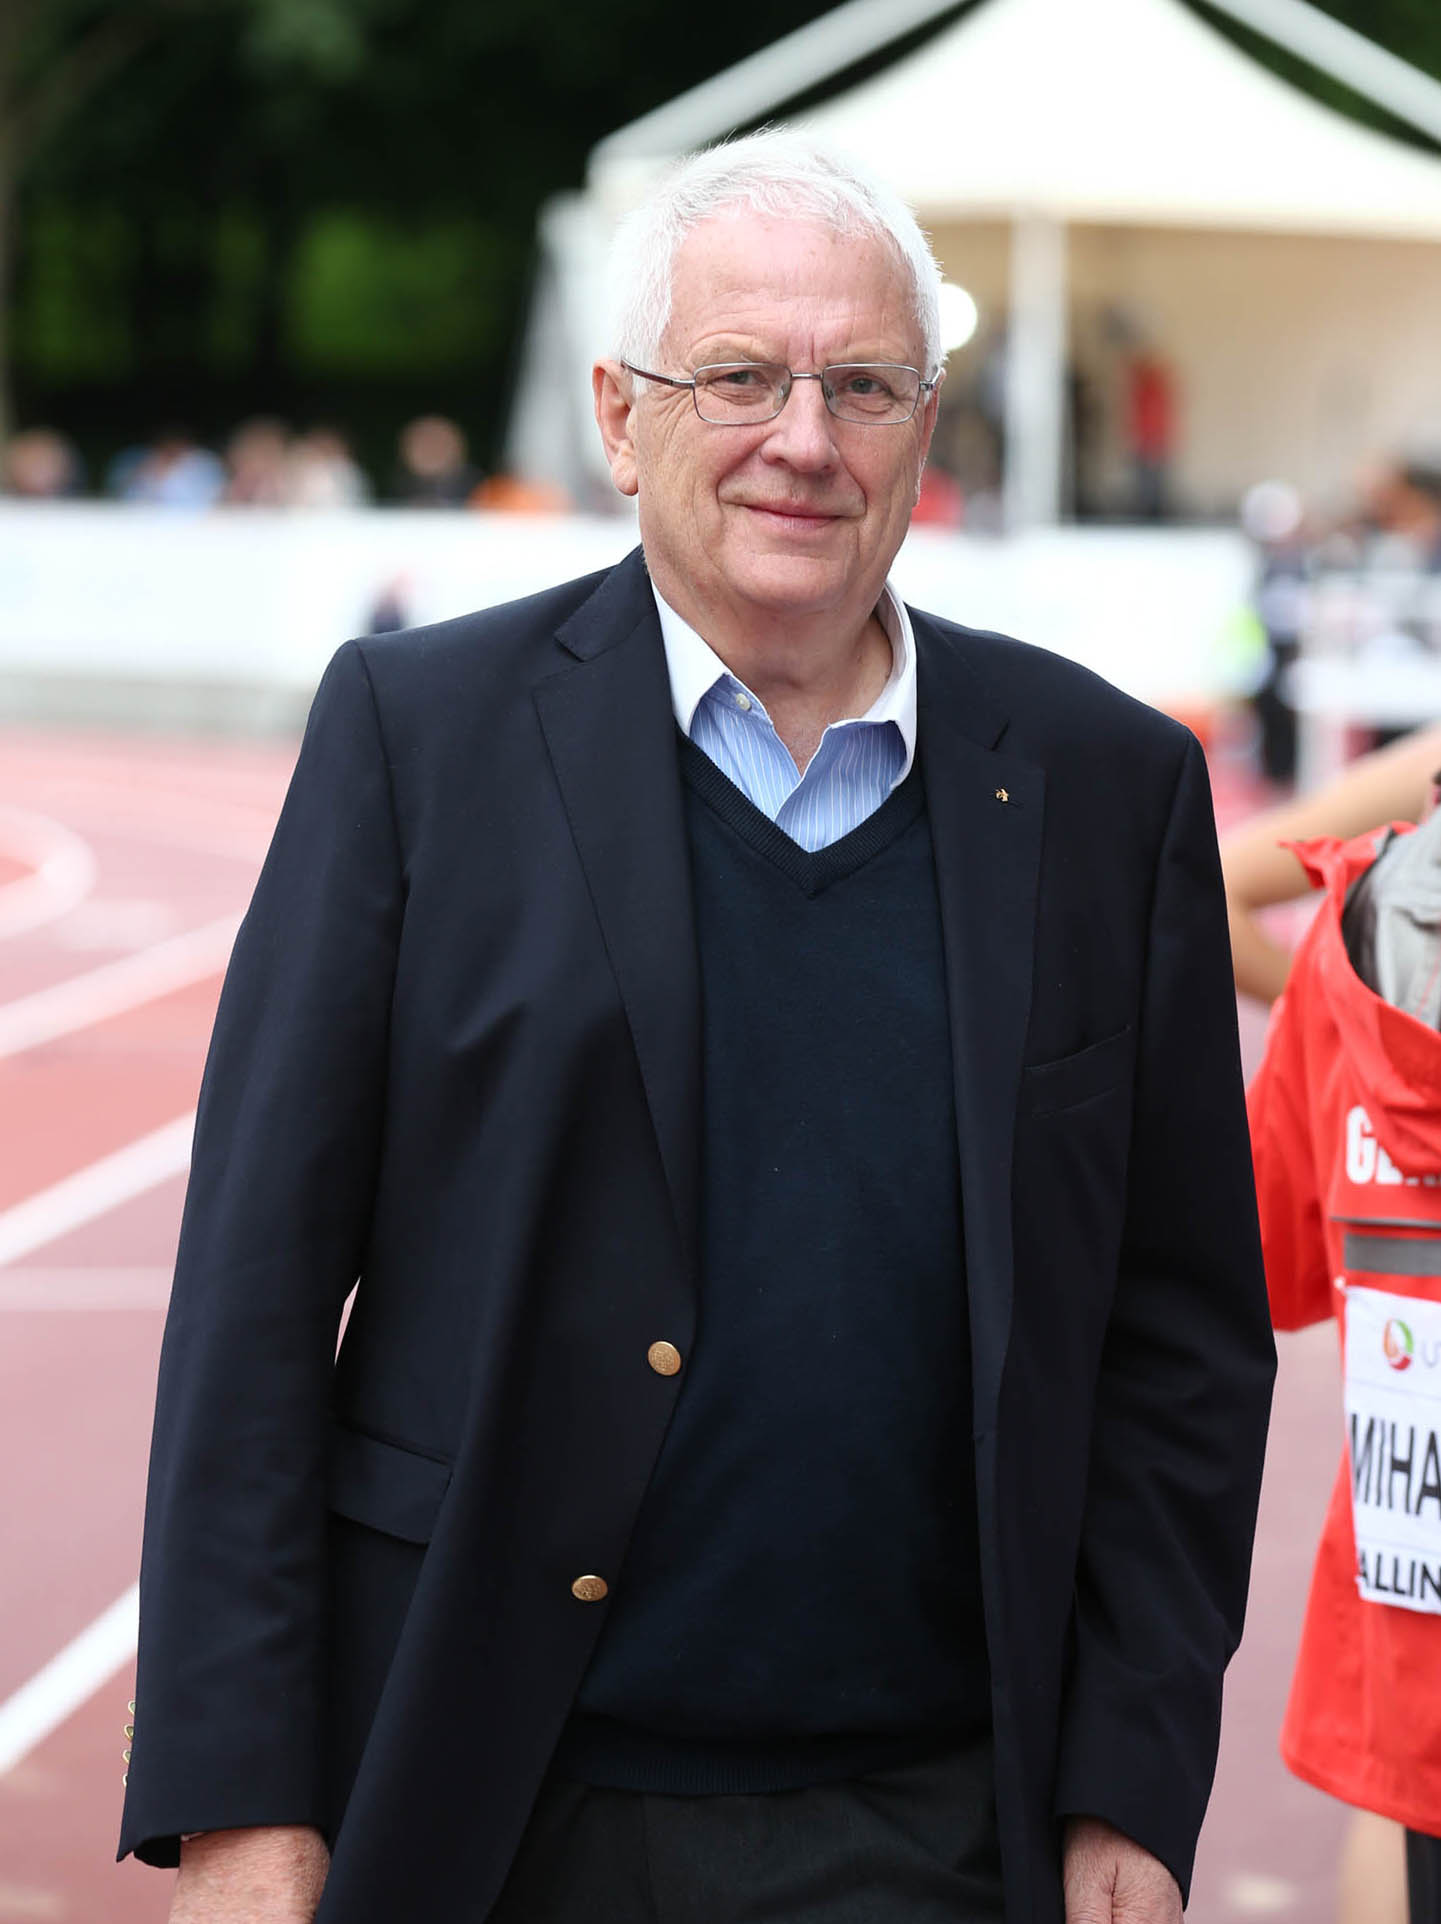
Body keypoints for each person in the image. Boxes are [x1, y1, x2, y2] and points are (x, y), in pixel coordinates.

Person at [118, 131, 1275, 1924]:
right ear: (618, 413)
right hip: (488, 1804)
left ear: (925, 427)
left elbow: (1177, 1339)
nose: (802, 438)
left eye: (862, 385)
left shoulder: (1106, 786)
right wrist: (238, 1808)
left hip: (942, 1826)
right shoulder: (419, 741)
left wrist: (1127, 1780)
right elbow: (254, 1300)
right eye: (737, 376)